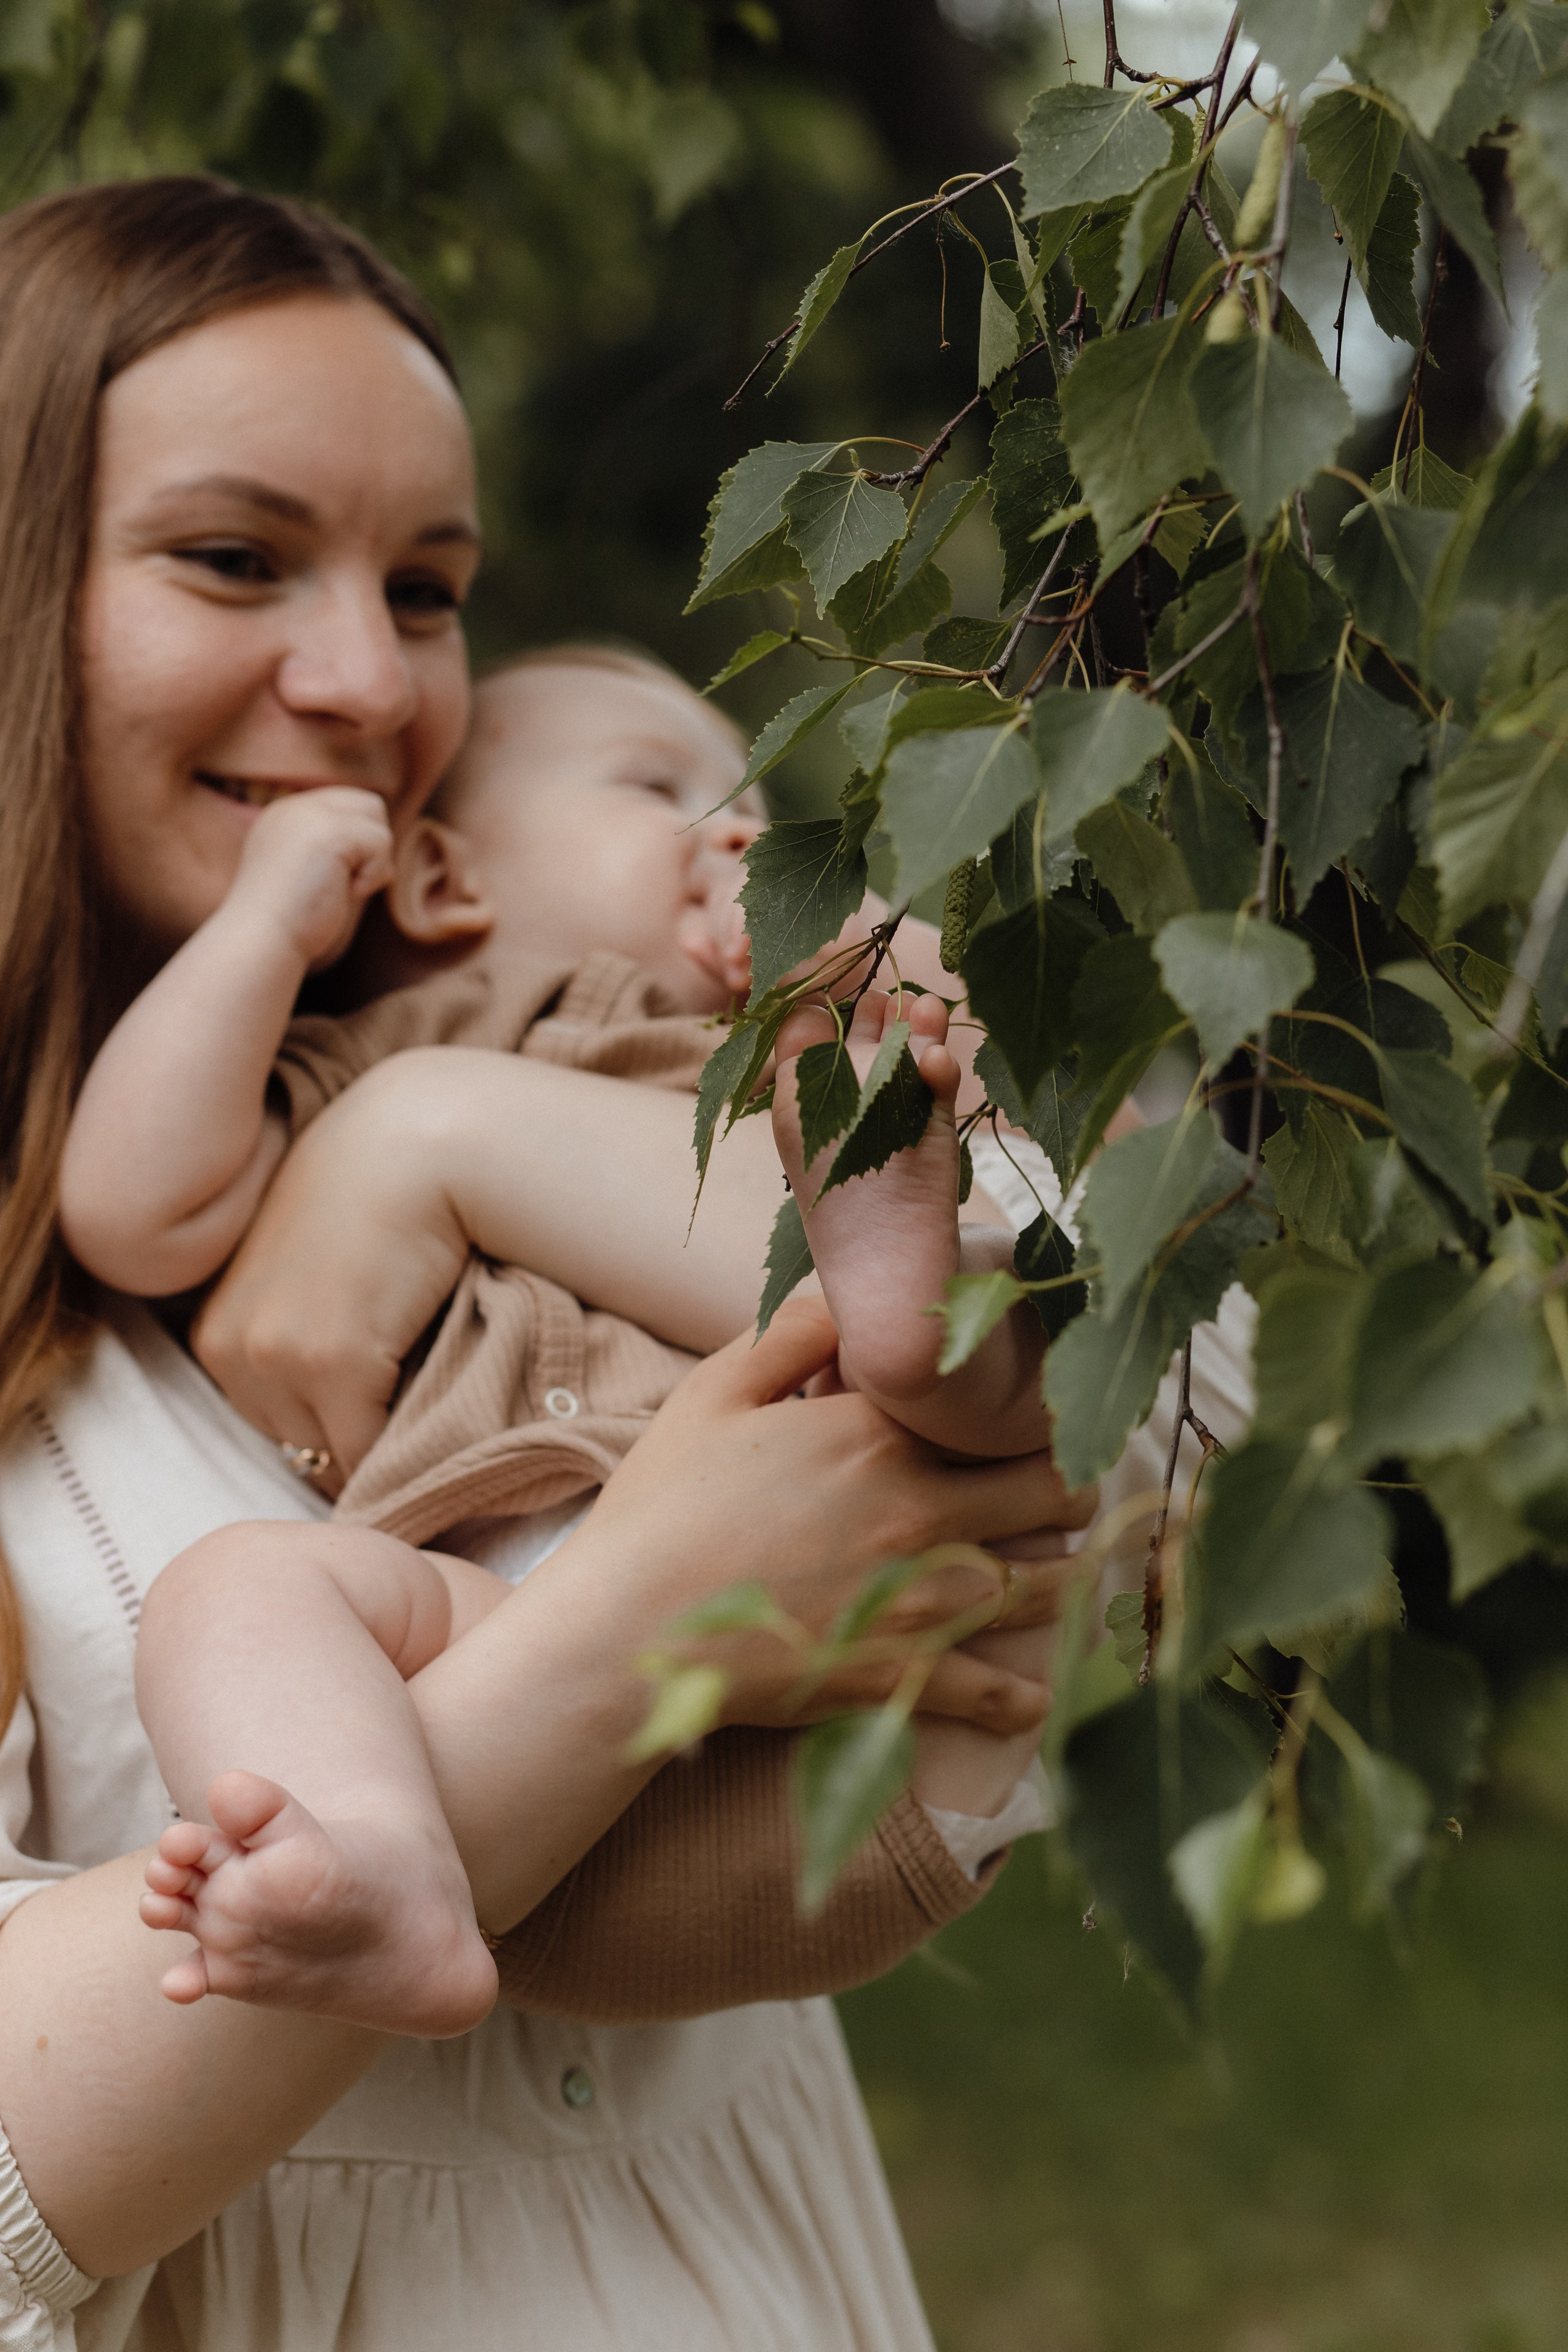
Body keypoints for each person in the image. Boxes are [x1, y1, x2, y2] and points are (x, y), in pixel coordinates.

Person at [0, 175, 1096, 2352]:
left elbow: (1143, 1382)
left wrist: (441, 1131)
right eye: (235, 557)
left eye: (426, 589)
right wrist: (633, 1626)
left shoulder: (483, 1067)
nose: (363, 681)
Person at [56, 623, 1063, 2033]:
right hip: (527, 1724)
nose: (740, 839)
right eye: (668, 794)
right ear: (440, 879)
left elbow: (1057, 1141)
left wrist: (867, 961)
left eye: (764, 814)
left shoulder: (780, 1044)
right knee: (230, 1591)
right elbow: (126, 1208)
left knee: (1002, 1280)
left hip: (893, 1675)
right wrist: (266, 922)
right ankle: (374, 1860)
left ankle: (897, 1319)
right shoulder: (374, 1058)